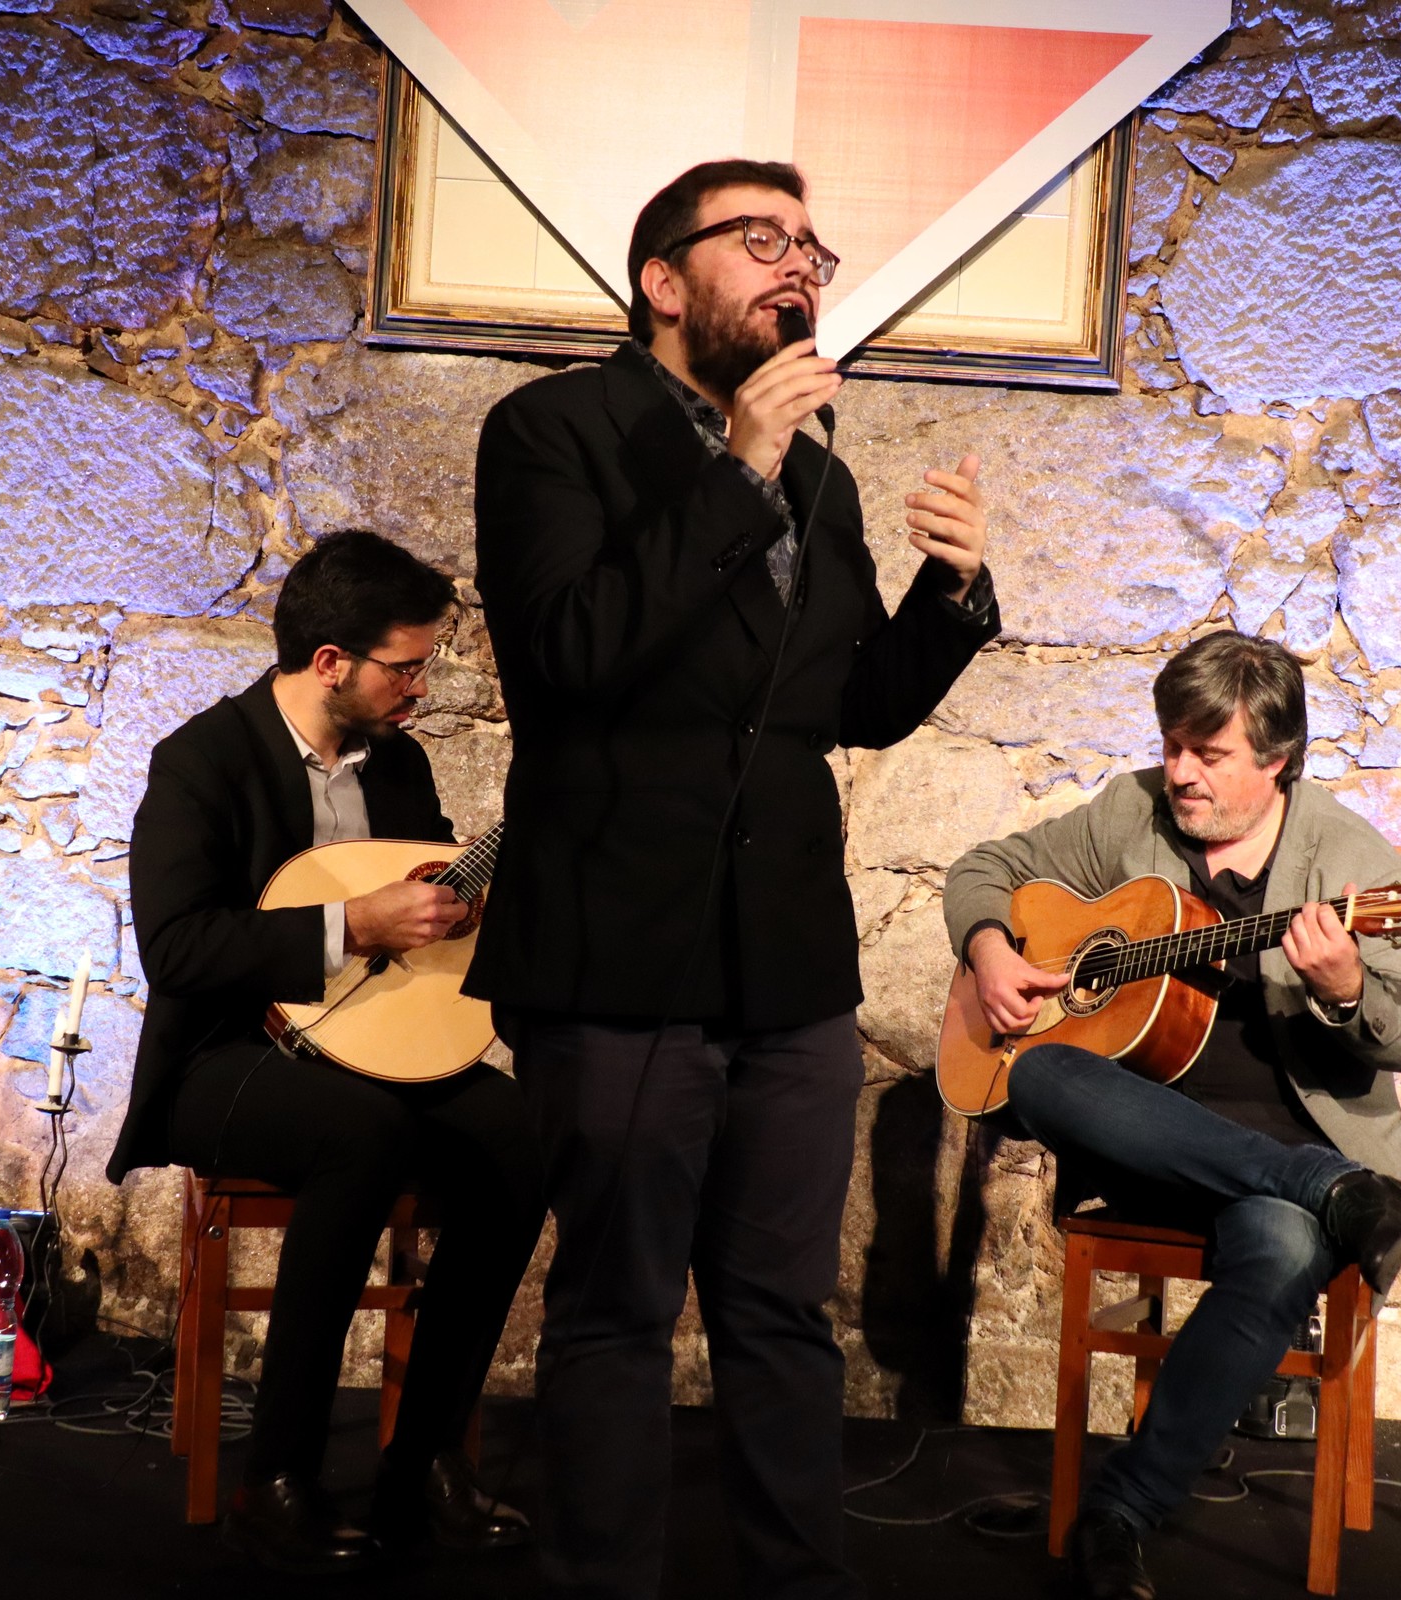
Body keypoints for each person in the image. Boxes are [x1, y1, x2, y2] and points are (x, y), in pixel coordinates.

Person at [467, 158, 999, 1599]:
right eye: (762, 239)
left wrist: (949, 593)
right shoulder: (554, 431)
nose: (799, 265)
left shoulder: (822, 478)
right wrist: (734, 471)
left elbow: (851, 705)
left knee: (782, 1315)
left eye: (812, 246)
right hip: (617, 957)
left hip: (787, 970)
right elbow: (570, 658)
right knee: (617, 1310)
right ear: (662, 279)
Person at [942, 630, 1401, 1600]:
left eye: (1208, 754)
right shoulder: (1131, 811)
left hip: (1281, 1161)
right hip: (1147, 1146)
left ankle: (1120, 1513)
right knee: (1038, 1075)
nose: (1179, 772)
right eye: (1172, 745)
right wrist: (992, 949)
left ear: (1277, 759)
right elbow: (984, 868)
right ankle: (1334, 1193)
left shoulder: (1352, 860)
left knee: (1284, 1248)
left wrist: (1345, 988)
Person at [109, 530, 546, 1575]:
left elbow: (424, 905)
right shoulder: (201, 761)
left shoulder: (401, 764)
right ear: (330, 662)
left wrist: (459, 910)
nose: (420, 686)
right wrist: (350, 924)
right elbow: (178, 948)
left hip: (376, 1042)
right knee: (363, 1132)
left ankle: (423, 1462)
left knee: (526, 1135)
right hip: (224, 1056)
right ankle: (276, 1480)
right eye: (406, 666)